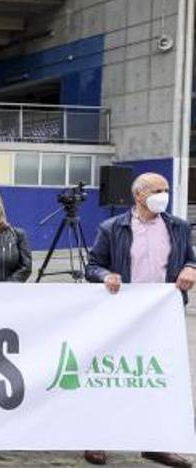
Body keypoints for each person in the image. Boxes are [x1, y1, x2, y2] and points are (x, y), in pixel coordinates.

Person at [83, 172, 196, 468]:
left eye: (166, 189)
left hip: (162, 315)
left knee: (157, 377)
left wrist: (190, 267)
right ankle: (97, 437)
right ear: (139, 195)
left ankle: (155, 443)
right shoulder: (112, 227)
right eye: (158, 190)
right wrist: (106, 275)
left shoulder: (179, 227)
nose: (164, 194)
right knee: (111, 375)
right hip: (121, 315)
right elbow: (93, 265)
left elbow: (190, 258)